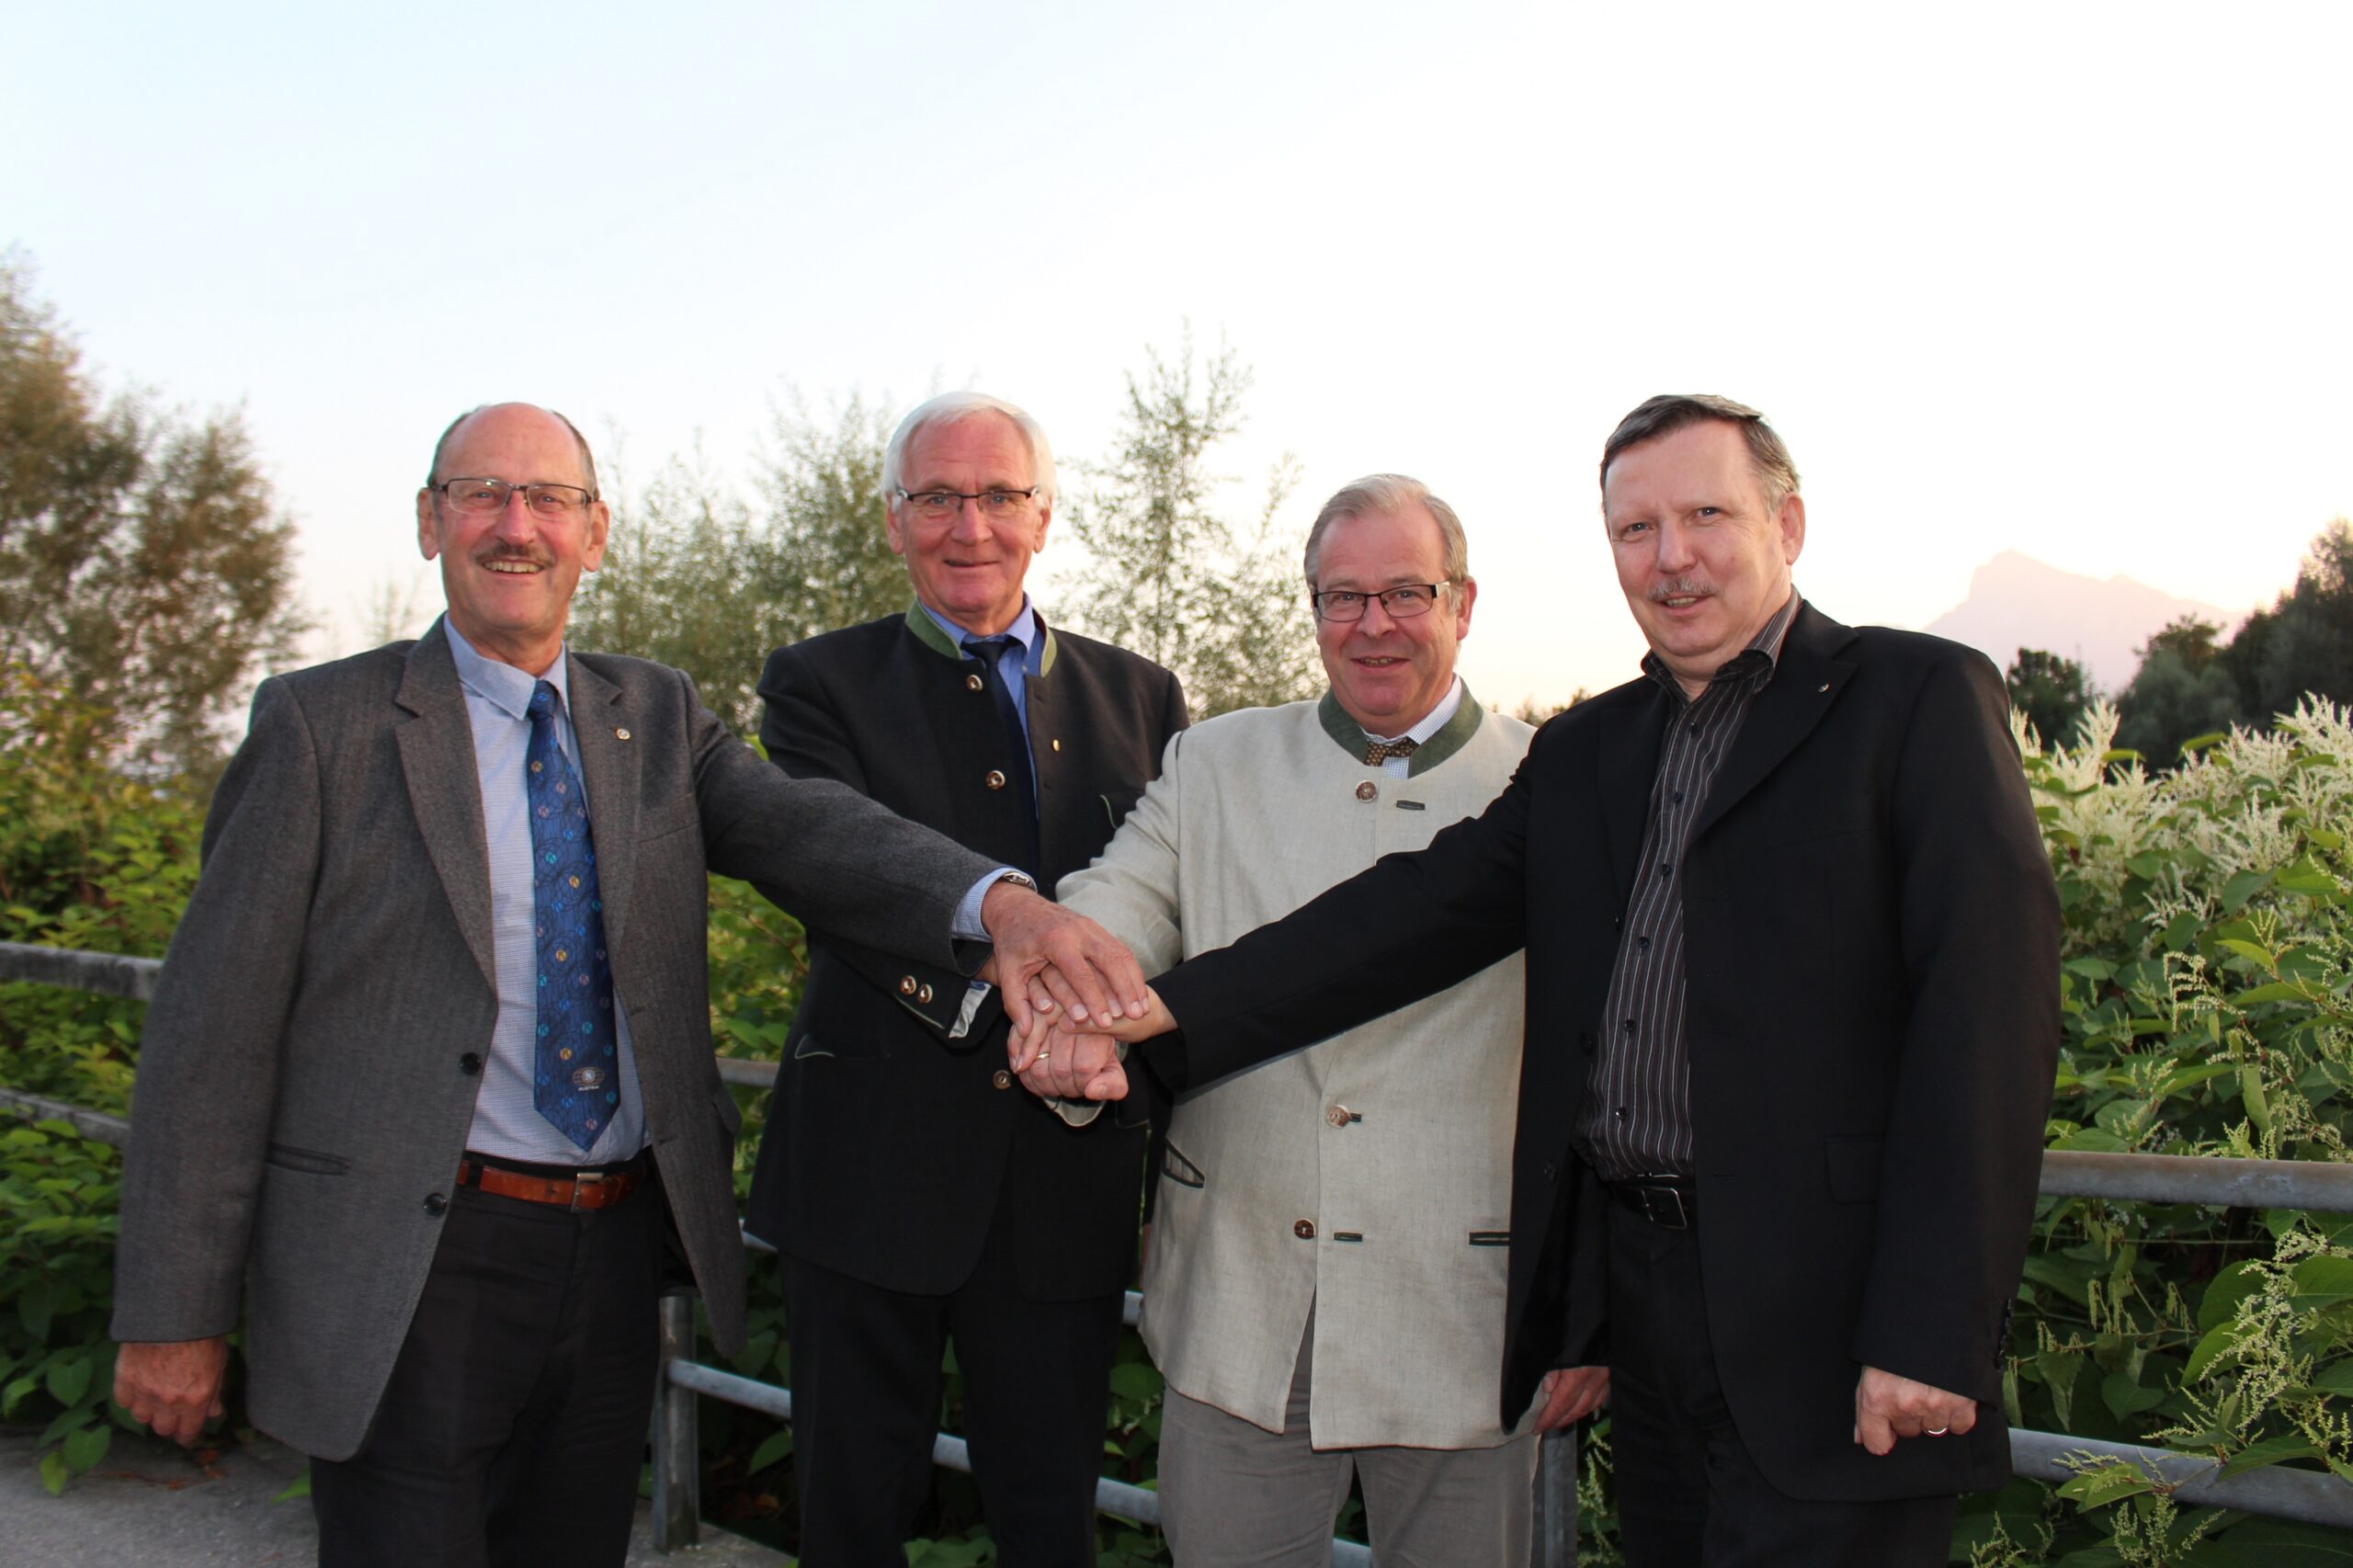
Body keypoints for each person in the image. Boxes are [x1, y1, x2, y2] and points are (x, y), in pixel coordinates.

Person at [1024, 395, 2061, 1567]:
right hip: (1651, 1308)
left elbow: (1988, 1023)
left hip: (1826, 1310)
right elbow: (1398, 921)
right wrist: (1150, 1010)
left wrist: (1929, 1328)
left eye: (1705, 515)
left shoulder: (1912, 698)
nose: (1669, 557)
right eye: (1634, 529)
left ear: (1787, 524)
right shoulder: (1592, 748)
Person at [108, 402, 1145, 1568]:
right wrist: (175, 1309)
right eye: (482, 493)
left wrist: (1001, 908)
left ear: (593, 533)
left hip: (609, 1254)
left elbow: (810, 830)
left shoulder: (651, 714)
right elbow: (212, 1032)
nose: (517, 525)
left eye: (549, 499)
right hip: (412, 1259)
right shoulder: (320, 725)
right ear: (430, 521)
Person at [1051, 474, 1606, 1565]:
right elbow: (1119, 900)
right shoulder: (1213, 761)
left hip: (1467, 1317)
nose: (1372, 624)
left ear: (1463, 602)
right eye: (1341, 597)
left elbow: (1611, 1062)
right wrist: (1070, 992)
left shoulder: (1554, 783)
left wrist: (1589, 1312)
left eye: (1405, 592)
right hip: (1238, 1308)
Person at [741, 392, 1188, 1564]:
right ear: (893, 519)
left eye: (997, 495)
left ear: (1044, 514)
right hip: (863, 1173)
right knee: (851, 1514)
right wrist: (1022, 966)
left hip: (1065, 1182)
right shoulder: (816, 683)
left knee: (1050, 1521)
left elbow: (1171, 897)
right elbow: (825, 863)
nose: (969, 525)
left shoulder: (1143, 695)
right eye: (937, 496)